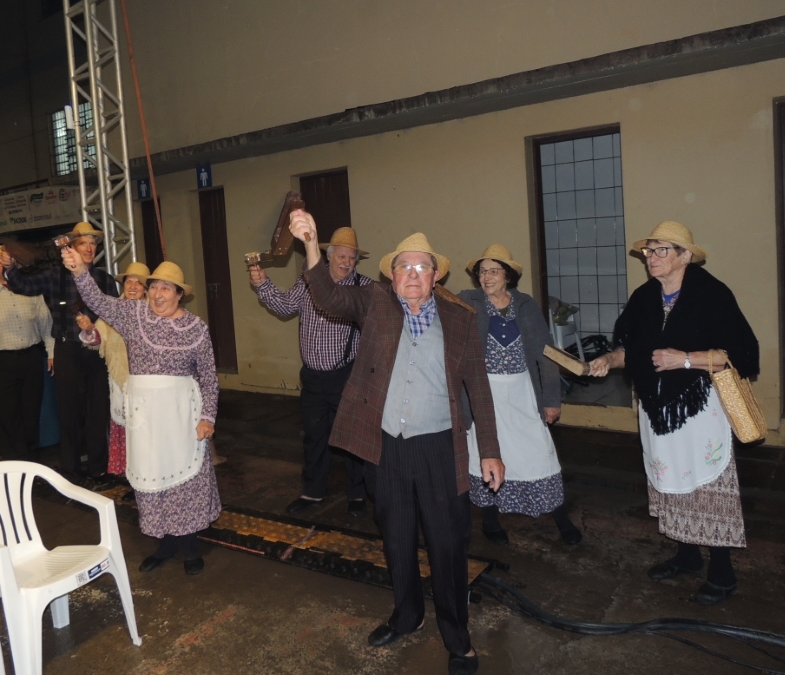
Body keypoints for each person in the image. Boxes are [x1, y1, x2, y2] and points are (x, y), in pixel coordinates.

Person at [292, 210, 504, 675]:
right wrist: (310, 243)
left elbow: (478, 387)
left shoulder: (460, 318)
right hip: (386, 446)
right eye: (403, 266)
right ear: (391, 274)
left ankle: (458, 640)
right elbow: (327, 296)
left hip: (438, 447)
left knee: (447, 545)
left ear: (436, 275)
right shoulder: (374, 303)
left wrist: (489, 449)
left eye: (421, 267)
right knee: (397, 537)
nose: (412, 274)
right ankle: (407, 615)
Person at [588, 221, 758, 606]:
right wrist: (609, 360)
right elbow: (631, 348)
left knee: (706, 485)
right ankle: (687, 555)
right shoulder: (644, 297)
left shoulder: (712, 294)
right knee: (671, 477)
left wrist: (685, 359)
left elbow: (741, 353)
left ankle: (722, 572)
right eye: (649, 251)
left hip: (699, 408)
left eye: (661, 250)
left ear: (685, 256)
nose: (651, 257)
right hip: (656, 409)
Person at [62, 249, 220, 576]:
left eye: (166, 288)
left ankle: (190, 545)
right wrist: (79, 271)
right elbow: (98, 300)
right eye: (154, 287)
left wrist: (208, 417)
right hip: (145, 413)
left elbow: (208, 375)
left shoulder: (196, 327)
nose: (158, 294)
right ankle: (165, 543)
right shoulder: (133, 314)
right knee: (153, 471)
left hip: (182, 412)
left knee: (185, 476)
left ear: (179, 294)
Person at [459, 245, 582, 546]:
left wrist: (551, 399)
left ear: (508, 276)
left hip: (522, 391)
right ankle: (490, 519)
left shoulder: (526, 305)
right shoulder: (468, 301)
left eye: (494, 271)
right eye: (482, 271)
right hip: (483, 393)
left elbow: (547, 353)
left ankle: (561, 517)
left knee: (539, 452)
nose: (486, 277)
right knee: (485, 454)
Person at [249, 226, 372, 516]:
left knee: (351, 437)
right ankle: (312, 492)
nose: (347, 262)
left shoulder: (364, 287)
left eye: (352, 258)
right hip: (313, 378)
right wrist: (263, 284)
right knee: (315, 437)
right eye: (341, 256)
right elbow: (283, 307)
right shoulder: (308, 281)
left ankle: (357, 494)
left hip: (346, 375)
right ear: (328, 256)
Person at [1, 223, 120, 483]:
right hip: (68, 350)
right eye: (83, 243)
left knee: (98, 412)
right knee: (69, 413)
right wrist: (10, 268)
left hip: (98, 353)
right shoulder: (55, 276)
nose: (89, 248)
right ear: (72, 248)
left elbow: (115, 317)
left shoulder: (106, 280)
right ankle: (70, 471)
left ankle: (99, 469)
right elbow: (23, 285)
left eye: (93, 243)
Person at [0, 245, 54, 461]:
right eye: (2, 262)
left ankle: (31, 460)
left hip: (31, 357)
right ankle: (13, 461)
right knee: (6, 413)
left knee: (31, 410)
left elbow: (46, 323)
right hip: (1, 361)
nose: (6, 266)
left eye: (10, 262)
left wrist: (51, 352)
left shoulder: (30, 289)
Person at [76, 261, 150, 486]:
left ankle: (148, 472)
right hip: (120, 380)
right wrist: (89, 329)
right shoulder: (113, 309)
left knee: (147, 427)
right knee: (125, 425)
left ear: (146, 288)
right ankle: (130, 473)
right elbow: (97, 339)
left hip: (147, 381)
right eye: (129, 282)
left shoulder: (154, 313)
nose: (133, 286)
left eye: (139, 283)